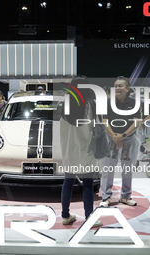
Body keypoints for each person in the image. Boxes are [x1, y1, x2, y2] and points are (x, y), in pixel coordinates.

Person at [59, 76, 102, 227]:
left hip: (69, 149)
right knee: (88, 185)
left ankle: (65, 216)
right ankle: (89, 218)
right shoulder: (91, 105)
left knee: (68, 183)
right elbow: (96, 128)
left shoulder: (63, 105)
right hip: (86, 149)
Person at [100, 76, 140, 207]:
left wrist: (122, 136)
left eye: (120, 86)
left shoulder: (134, 103)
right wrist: (114, 137)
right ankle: (106, 197)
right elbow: (104, 122)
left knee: (127, 169)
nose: (117, 88)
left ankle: (125, 196)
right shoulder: (107, 102)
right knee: (108, 169)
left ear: (127, 89)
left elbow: (136, 122)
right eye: (116, 85)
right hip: (110, 139)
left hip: (128, 139)